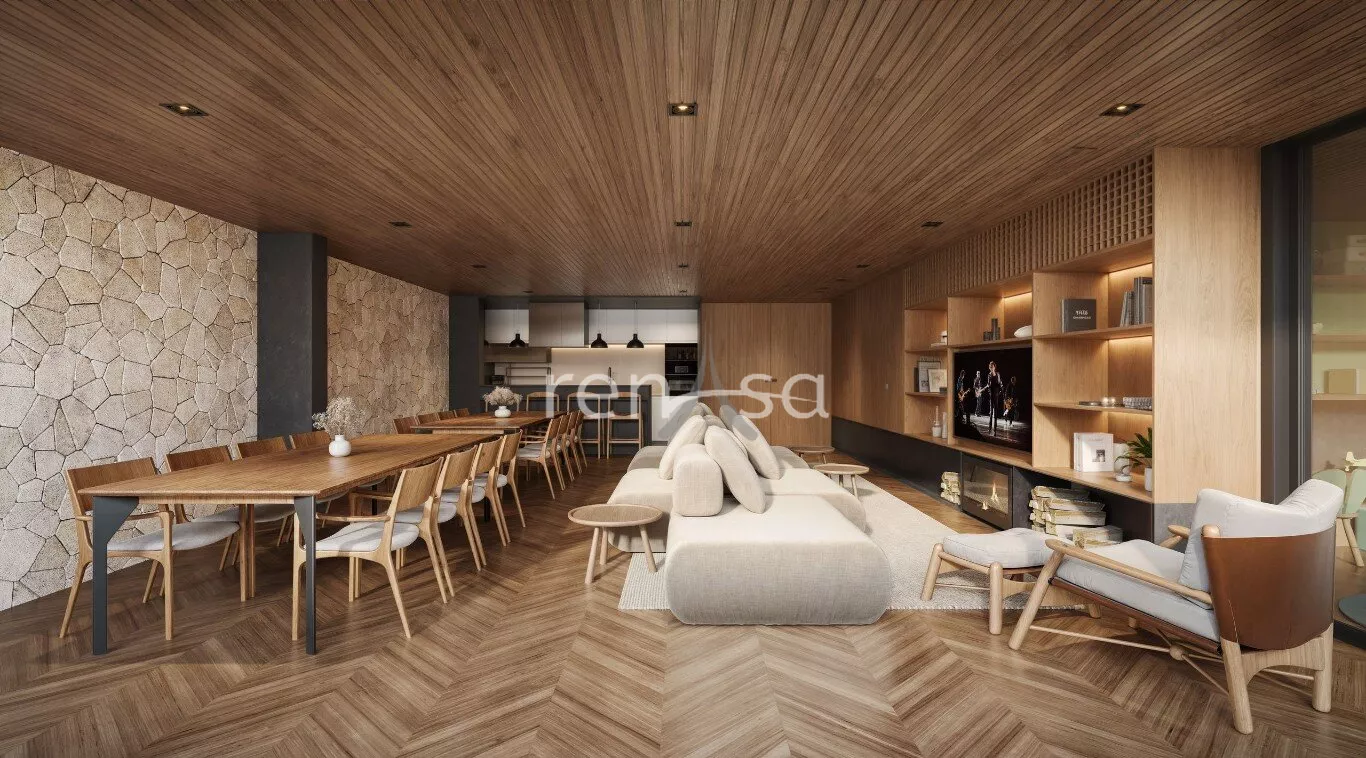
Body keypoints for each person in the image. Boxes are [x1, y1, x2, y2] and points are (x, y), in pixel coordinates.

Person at [986, 361, 1004, 435]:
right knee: (991, 412)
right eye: (990, 367)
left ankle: (995, 429)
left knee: (996, 412)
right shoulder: (989, 375)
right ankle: (990, 428)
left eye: (992, 366)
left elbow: (1000, 383)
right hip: (991, 395)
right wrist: (988, 386)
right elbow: (988, 385)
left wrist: (1001, 388)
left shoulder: (998, 374)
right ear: (989, 368)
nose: (991, 368)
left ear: (994, 367)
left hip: (996, 395)